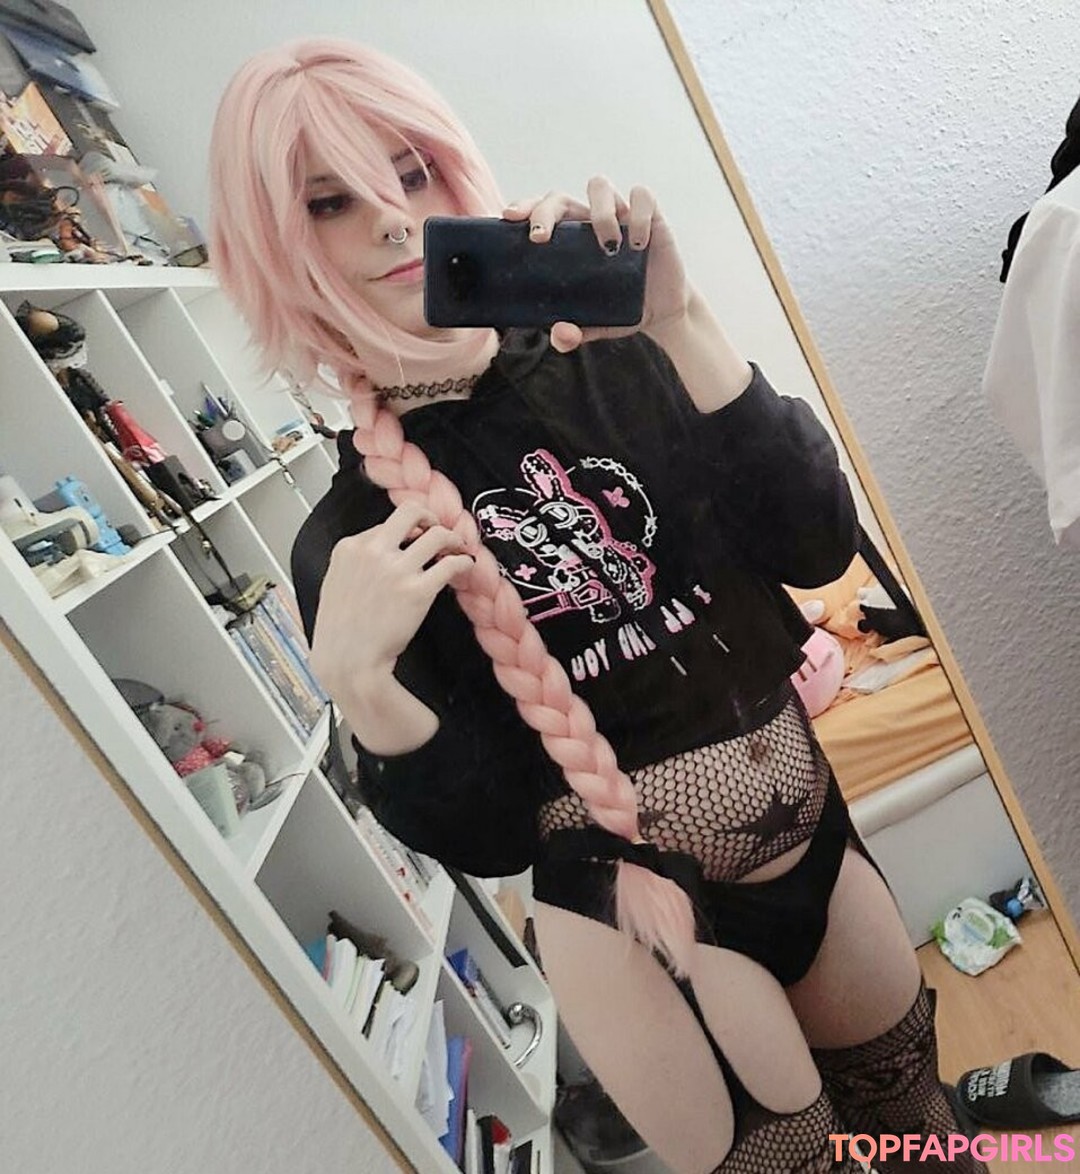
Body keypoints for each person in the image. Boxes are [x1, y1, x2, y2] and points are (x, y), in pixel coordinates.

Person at [209, 38, 986, 1174]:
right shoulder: (355, 541)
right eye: (330, 202)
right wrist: (364, 692)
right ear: (273, 248)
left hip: (812, 830)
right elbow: (487, 837)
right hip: (633, 928)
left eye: (411, 172)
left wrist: (686, 318)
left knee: (925, 1135)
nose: (389, 220)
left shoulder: (619, 356)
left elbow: (816, 546)